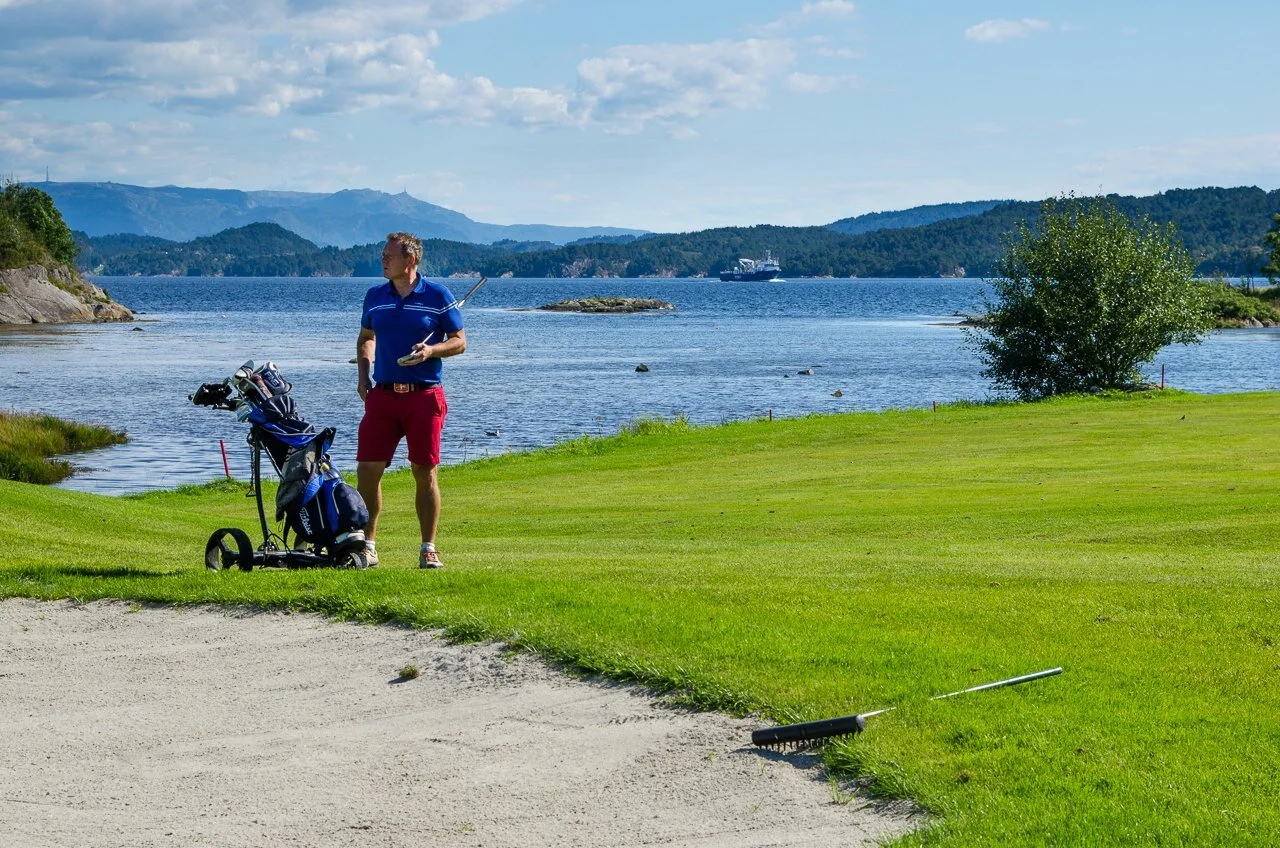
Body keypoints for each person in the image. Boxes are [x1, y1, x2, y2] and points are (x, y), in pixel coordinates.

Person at [355, 232, 466, 569]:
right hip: (383, 396)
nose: (383, 260)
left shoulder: (437, 295)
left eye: (389, 255)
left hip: (425, 398)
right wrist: (363, 378)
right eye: (383, 254)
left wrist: (431, 350)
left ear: (410, 260)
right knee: (368, 470)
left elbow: (459, 341)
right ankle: (367, 545)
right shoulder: (375, 296)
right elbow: (365, 339)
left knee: (424, 471)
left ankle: (428, 547)